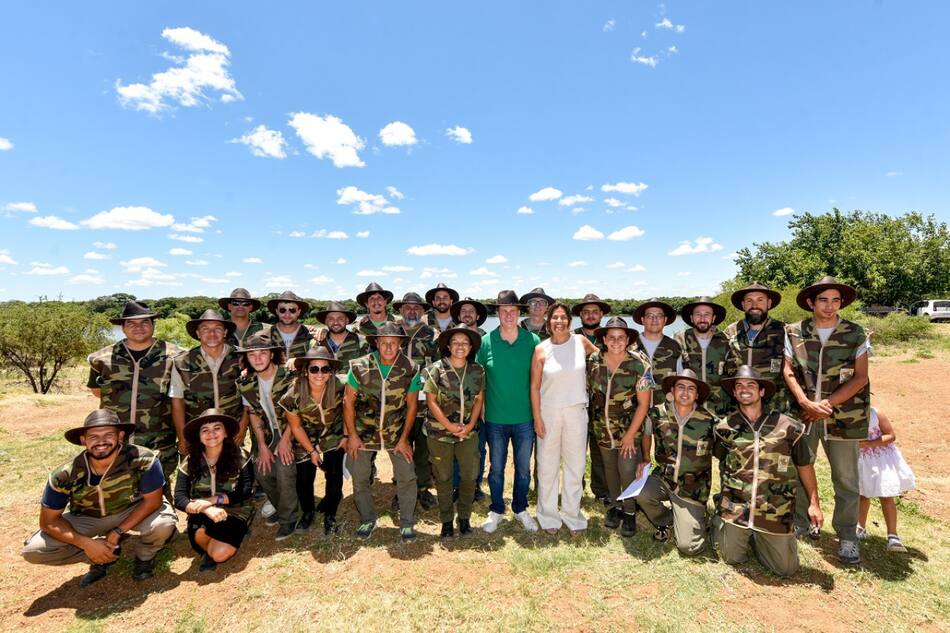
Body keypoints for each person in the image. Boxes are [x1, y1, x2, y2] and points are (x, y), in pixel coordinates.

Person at [22, 410, 177, 587]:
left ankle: (145, 557)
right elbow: (48, 522)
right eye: (93, 437)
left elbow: (153, 501)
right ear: (83, 440)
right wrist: (86, 543)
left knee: (163, 524)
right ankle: (102, 556)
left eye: (108, 435)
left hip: (131, 509)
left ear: (120, 436)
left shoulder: (143, 459)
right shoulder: (65, 474)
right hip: (88, 517)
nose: (101, 442)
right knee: (34, 551)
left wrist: (118, 531)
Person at [784, 276, 870, 565]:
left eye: (836, 300)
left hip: (845, 416)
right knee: (799, 467)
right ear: (811, 302)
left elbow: (861, 377)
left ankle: (847, 535)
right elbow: (788, 372)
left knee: (846, 478)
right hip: (804, 415)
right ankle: (800, 522)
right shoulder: (794, 332)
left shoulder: (855, 333)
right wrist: (805, 402)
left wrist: (827, 404)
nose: (830, 306)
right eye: (823, 300)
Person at [713, 366, 823, 577]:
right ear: (734, 393)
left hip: (774, 511)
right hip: (737, 509)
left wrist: (813, 504)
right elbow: (723, 462)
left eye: (751, 385)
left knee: (786, 569)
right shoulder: (725, 428)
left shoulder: (789, 427)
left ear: (762, 391)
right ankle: (722, 522)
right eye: (739, 386)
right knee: (730, 558)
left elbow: (804, 465)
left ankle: (762, 537)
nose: (745, 390)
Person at [88, 300, 182, 488]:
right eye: (131, 323)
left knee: (157, 490)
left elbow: (181, 398)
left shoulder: (176, 356)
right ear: (122, 327)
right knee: (116, 492)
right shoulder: (102, 358)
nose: (138, 327)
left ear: (153, 325)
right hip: (114, 442)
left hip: (159, 443)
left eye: (144, 322)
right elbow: (97, 391)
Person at [343, 321, 423, 542]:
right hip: (363, 432)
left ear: (400, 344)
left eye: (393, 343)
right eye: (384, 343)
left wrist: (405, 439)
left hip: (396, 433)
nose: (388, 348)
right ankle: (367, 519)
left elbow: (412, 406)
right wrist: (352, 435)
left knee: (407, 476)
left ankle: (406, 522)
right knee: (360, 478)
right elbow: (348, 402)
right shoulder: (359, 366)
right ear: (376, 343)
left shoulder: (411, 368)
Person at [530, 302, 599, 535]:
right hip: (548, 411)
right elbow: (534, 386)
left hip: (576, 411)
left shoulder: (581, 342)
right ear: (548, 322)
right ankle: (548, 516)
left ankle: (573, 515)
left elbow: (603, 360)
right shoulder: (541, 349)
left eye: (563, 317)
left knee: (575, 465)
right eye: (554, 318)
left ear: (570, 320)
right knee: (547, 467)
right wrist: (537, 418)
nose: (559, 321)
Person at [478, 290, 541, 534]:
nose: (508, 315)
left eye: (512, 311)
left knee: (524, 469)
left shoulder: (532, 341)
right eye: (503, 311)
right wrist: (480, 408)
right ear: (497, 313)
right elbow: (478, 378)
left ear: (519, 313)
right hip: (495, 418)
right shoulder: (485, 342)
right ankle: (496, 509)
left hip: (525, 418)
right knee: (496, 468)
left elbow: (540, 380)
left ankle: (521, 508)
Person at [587, 316, 652, 537]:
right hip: (602, 427)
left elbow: (644, 404)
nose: (616, 342)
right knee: (610, 470)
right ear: (604, 339)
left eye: (621, 338)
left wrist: (630, 435)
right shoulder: (594, 361)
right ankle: (615, 507)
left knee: (626, 470)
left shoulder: (640, 364)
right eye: (611, 337)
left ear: (628, 340)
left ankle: (630, 512)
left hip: (628, 429)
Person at [639, 370, 717, 555]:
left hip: (692, 490)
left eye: (691, 388)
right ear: (672, 390)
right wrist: (644, 459)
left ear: (697, 395)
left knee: (689, 548)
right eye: (680, 386)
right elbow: (647, 435)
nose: (685, 392)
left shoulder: (709, 421)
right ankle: (665, 521)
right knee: (641, 492)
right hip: (664, 480)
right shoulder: (657, 413)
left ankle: (697, 518)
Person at [422, 325, 485, 538]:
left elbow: (478, 400)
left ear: (470, 347)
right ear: (448, 346)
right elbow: (430, 401)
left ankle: (465, 517)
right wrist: (449, 427)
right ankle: (447, 520)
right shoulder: (436, 369)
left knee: (469, 476)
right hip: (440, 434)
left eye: (464, 343)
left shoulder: (477, 370)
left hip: (468, 433)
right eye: (455, 342)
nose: (460, 346)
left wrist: (469, 426)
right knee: (444, 477)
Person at [174, 408, 255, 572]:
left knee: (219, 555)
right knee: (200, 535)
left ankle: (220, 545)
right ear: (199, 436)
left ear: (226, 433)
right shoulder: (190, 461)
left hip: (235, 511)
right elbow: (179, 498)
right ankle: (216, 545)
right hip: (202, 513)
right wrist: (207, 509)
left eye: (217, 428)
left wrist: (212, 500)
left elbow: (245, 492)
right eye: (205, 430)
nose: (211, 433)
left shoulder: (241, 456)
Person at [236, 331, 298, 541]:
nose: (258, 358)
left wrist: (285, 441)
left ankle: (289, 518)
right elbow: (253, 414)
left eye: (263, 353)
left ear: (272, 354)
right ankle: (281, 508)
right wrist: (262, 445)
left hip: (294, 431)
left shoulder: (289, 376)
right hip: (269, 434)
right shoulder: (246, 383)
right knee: (262, 470)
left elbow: (298, 414)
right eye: (252, 355)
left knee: (284, 467)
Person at [281, 347, 347, 536]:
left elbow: (350, 410)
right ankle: (308, 512)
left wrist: (346, 436)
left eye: (325, 369)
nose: (320, 374)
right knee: (304, 477)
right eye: (314, 369)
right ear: (305, 370)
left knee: (334, 473)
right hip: (306, 436)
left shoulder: (341, 385)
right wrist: (312, 451)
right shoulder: (292, 394)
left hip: (333, 433)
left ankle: (331, 513)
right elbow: (295, 427)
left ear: (331, 371)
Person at [170, 309, 245, 456]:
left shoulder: (241, 358)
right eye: (205, 329)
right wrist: (182, 437)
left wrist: (242, 427)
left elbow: (250, 396)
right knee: (197, 475)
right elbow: (177, 401)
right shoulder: (182, 361)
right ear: (198, 333)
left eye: (218, 329)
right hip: (197, 434)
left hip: (232, 432)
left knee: (233, 474)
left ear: (225, 332)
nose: (212, 334)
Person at [393, 292, 440, 510]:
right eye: (408, 308)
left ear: (422, 311)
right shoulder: (391, 332)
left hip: (422, 402)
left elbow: (440, 365)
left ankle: (422, 488)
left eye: (416, 308)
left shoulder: (432, 334)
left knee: (422, 447)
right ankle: (401, 488)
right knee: (400, 445)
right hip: (396, 401)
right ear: (401, 310)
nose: (412, 311)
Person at [723, 282, 789, 411]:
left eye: (760, 300)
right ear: (743, 305)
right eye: (749, 301)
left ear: (769, 303)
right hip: (738, 408)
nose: (754, 305)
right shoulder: (730, 332)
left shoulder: (784, 331)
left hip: (775, 408)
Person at [572, 293, 612, 503]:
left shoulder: (610, 337)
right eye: (586, 312)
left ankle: (602, 492)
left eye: (595, 311)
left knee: (600, 451)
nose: (590, 315)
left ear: (602, 314)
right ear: (580, 315)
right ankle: (575, 491)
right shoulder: (571, 337)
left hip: (603, 404)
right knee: (575, 451)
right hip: (577, 402)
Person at [857, 407, 915, 552]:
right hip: (863, 461)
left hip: (881, 460)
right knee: (862, 494)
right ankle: (860, 527)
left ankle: (893, 535)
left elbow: (891, 435)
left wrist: (869, 444)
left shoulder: (876, 414)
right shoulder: (847, 413)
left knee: (886, 496)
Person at [449, 297, 490, 501]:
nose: (467, 314)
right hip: (455, 403)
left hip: (479, 401)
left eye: (471, 311)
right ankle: (456, 487)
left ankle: (475, 485)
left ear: (478, 316)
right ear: (458, 315)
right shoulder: (452, 338)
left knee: (478, 448)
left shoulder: (487, 339)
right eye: (463, 311)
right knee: (457, 445)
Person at [674, 297, 731, 415]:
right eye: (698, 314)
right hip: (690, 410)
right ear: (691, 318)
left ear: (713, 318)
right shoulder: (680, 339)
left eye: (707, 314)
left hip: (720, 409)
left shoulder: (725, 341)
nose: (702, 318)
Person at [632, 299, 683, 406]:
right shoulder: (631, 345)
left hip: (665, 414)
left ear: (665, 320)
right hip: (633, 412)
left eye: (659, 316)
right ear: (643, 319)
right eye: (650, 316)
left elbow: (680, 382)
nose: (654, 319)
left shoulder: (675, 347)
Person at [313, 300, 366, 365]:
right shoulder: (317, 343)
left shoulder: (361, 341)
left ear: (347, 320)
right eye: (331, 319)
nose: (336, 322)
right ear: (326, 321)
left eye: (340, 319)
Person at [267, 291, 314, 359]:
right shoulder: (266, 335)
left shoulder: (309, 334)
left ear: (298, 312)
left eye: (292, 310)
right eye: (282, 310)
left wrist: (323, 331)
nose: (287, 314)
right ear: (277, 311)